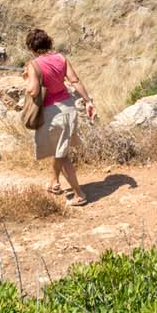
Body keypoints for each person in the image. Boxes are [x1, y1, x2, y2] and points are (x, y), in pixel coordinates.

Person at [20, 28, 94, 206]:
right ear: (49, 42)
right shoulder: (61, 58)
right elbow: (74, 80)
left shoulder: (34, 65)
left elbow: (33, 91)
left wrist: (27, 78)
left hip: (52, 113)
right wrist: (88, 101)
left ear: (31, 48)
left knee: (62, 155)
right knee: (59, 150)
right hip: (68, 108)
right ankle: (54, 182)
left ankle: (79, 195)